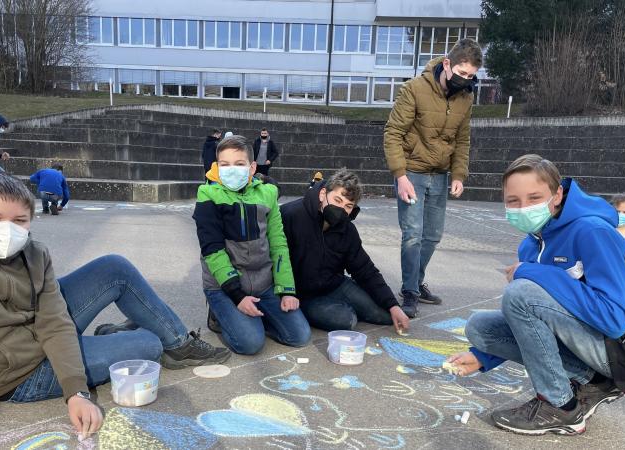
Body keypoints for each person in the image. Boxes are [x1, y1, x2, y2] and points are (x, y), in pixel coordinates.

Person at [0, 172, 230, 448]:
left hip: (39, 336)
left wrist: (76, 390)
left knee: (114, 268)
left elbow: (54, 321)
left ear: (30, 219)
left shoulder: (34, 253)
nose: (6, 230)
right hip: (16, 375)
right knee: (149, 344)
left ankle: (178, 343)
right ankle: (135, 338)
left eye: (19, 221)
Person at [447, 155, 625, 436]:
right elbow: (535, 322)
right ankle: (593, 381)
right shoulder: (531, 246)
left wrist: (536, 274)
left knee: (521, 292)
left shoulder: (591, 231)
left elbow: (614, 319)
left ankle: (560, 406)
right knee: (481, 329)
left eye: (534, 197)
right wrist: (483, 357)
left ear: (558, 193)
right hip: (597, 341)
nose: (523, 208)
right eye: (513, 201)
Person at [383, 39, 483, 318]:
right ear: (448, 64)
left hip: (439, 175)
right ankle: (410, 291)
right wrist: (400, 176)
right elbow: (393, 134)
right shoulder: (414, 89)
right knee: (412, 235)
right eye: (462, 74)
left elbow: (463, 139)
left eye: (471, 77)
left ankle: (415, 281)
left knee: (433, 235)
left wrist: (459, 174)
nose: (465, 81)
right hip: (412, 172)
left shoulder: (466, 98)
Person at [193, 135, 311, 355]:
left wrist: (287, 290)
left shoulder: (268, 194)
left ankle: (252, 319)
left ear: (252, 167)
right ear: (217, 166)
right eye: (225, 165)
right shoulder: (207, 194)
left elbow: (278, 244)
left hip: (262, 283)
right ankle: (219, 315)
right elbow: (212, 249)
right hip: (224, 287)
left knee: (299, 336)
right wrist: (237, 296)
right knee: (250, 344)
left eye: (239, 164)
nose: (232, 170)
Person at [280, 169, 410, 333]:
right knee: (346, 320)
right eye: (337, 200)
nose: (341, 208)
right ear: (322, 194)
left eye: (348, 205)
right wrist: (286, 293)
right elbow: (275, 260)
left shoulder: (347, 229)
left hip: (334, 284)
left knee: (385, 315)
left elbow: (365, 269)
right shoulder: (291, 215)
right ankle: (324, 309)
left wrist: (393, 305)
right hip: (302, 294)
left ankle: (346, 303)